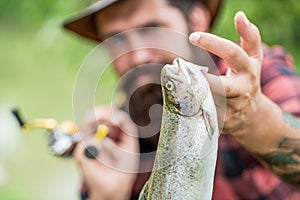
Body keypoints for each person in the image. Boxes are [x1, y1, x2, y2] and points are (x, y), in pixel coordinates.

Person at [63, 0, 300, 199]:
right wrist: (108, 197)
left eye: (151, 28)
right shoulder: (118, 138)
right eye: (116, 39)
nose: (137, 55)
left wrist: (254, 119)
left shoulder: (256, 79)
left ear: (197, 20)